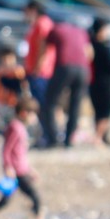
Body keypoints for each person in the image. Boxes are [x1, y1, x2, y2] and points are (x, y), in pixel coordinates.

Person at [44, 14, 92, 148]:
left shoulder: (56, 29)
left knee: (49, 101)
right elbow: (89, 53)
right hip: (83, 69)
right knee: (75, 105)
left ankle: (53, 138)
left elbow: (44, 48)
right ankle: (69, 140)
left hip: (65, 66)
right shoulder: (81, 31)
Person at [21, 1, 56, 140]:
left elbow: (43, 47)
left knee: (42, 104)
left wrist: (37, 67)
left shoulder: (42, 23)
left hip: (41, 72)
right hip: (37, 70)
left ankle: (48, 135)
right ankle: (46, 134)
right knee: (40, 104)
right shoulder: (39, 23)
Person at [88, 18, 110, 146]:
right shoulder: (104, 47)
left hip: (93, 81)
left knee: (98, 111)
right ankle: (98, 137)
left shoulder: (90, 44)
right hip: (107, 83)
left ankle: (100, 136)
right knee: (106, 111)